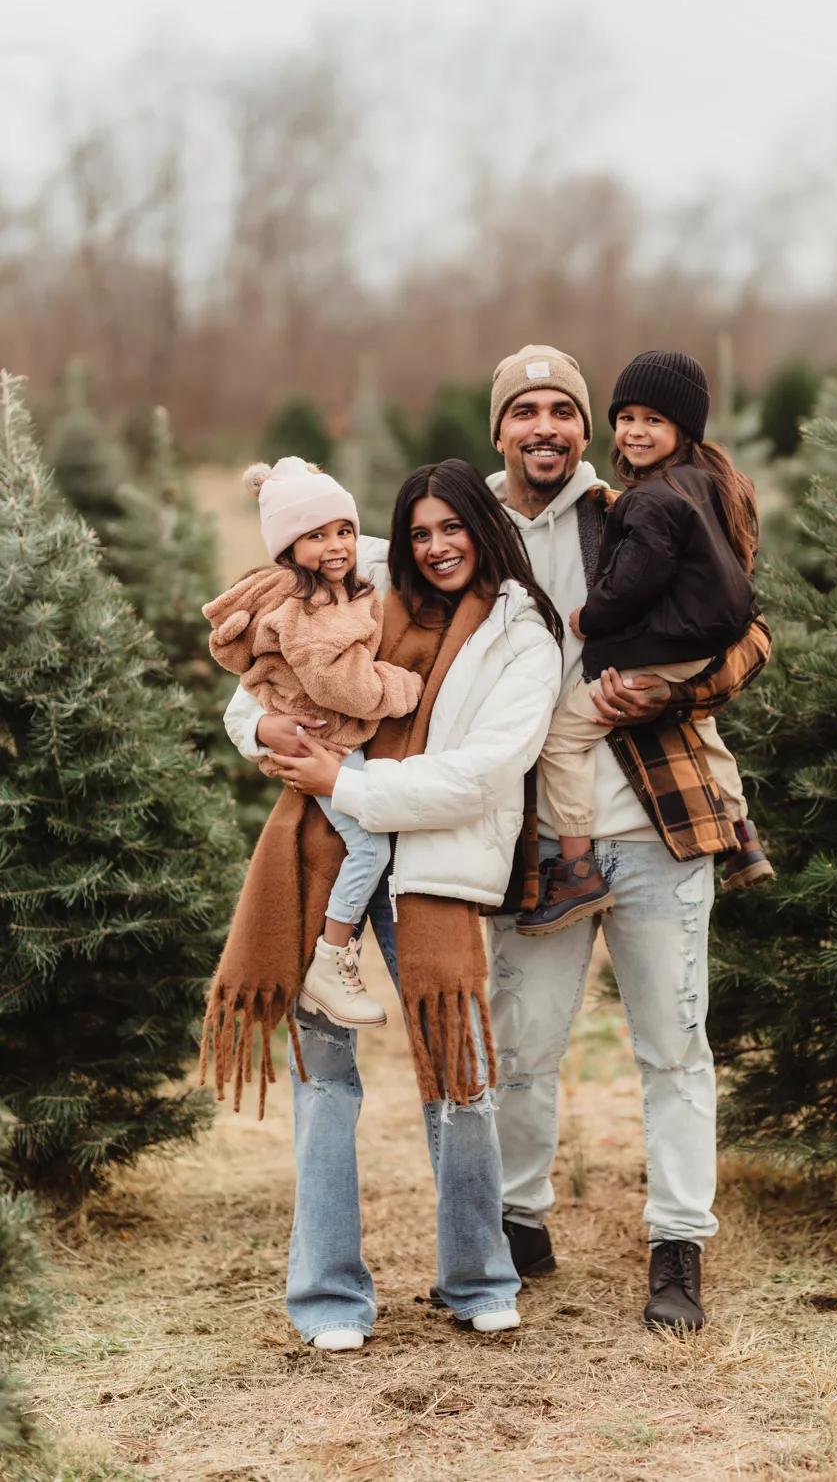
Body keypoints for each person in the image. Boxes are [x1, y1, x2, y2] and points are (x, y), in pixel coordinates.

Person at [216, 459, 563, 1351]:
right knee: (323, 1082)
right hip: (321, 853)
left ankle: (478, 1277)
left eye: (454, 528)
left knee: (462, 1078)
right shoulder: (359, 581)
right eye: (421, 531)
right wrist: (263, 729)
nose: (436, 547)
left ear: (486, 530)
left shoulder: (523, 636)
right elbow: (250, 686)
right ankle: (328, 1298)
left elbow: (485, 772)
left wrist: (351, 782)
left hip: (433, 865)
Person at [484, 344, 771, 1331]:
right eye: (524, 412)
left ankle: (677, 1245)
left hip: (656, 822)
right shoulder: (465, 531)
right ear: (500, 431)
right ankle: (517, 1224)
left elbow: (750, 630)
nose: (545, 429)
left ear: (583, 428)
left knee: (672, 1046)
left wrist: (677, 688)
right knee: (520, 1046)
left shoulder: (634, 504)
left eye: (560, 411)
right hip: (533, 836)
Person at [517, 350, 772, 937]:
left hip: (658, 785)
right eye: (626, 417)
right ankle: (742, 834)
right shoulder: (709, 489)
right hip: (694, 644)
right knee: (707, 735)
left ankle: (576, 869)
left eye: (653, 420)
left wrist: (593, 620)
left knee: (562, 735)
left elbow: (642, 581)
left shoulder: (637, 503)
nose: (634, 430)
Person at [203, 455, 422, 1027]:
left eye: (344, 530)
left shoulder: (344, 587)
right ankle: (332, 958)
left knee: (368, 847)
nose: (336, 544)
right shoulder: (308, 605)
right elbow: (341, 684)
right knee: (368, 849)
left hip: (336, 750)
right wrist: (405, 687)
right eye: (315, 535)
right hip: (327, 748)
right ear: (287, 549)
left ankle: (333, 958)